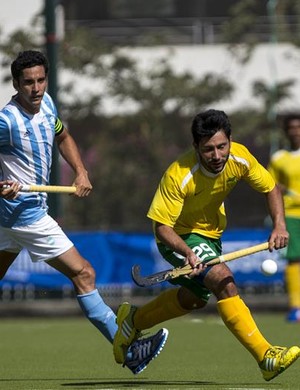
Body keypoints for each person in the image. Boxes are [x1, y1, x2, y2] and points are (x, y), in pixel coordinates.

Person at [0, 50, 168, 375]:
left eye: (40, 80)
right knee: (84, 274)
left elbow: (63, 136)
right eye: (28, 83)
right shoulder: (6, 121)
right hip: (26, 215)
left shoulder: (47, 106)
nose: (35, 89)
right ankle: (128, 348)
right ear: (16, 84)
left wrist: (80, 171)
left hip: (7, 218)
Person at [113, 109, 300, 381]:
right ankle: (266, 356)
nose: (217, 156)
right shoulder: (179, 174)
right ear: (196, 147)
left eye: (222, 147)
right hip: (179, 236)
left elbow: (270, 187)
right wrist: (188, 253)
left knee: (194, 300)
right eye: (208, 149)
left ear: (230, 141)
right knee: (224, 281)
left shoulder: (240, 157)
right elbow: (162, 227)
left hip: (211, 234)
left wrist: (279, 226)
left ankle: (133, 320)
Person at [268, 113, 300, 322]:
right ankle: (296, 307)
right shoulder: (279, 158)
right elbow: (270, 187)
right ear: (286, 132)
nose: (295, 131)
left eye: (299, 127)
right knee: (295, 259)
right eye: (292, 128)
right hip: (291, 215)